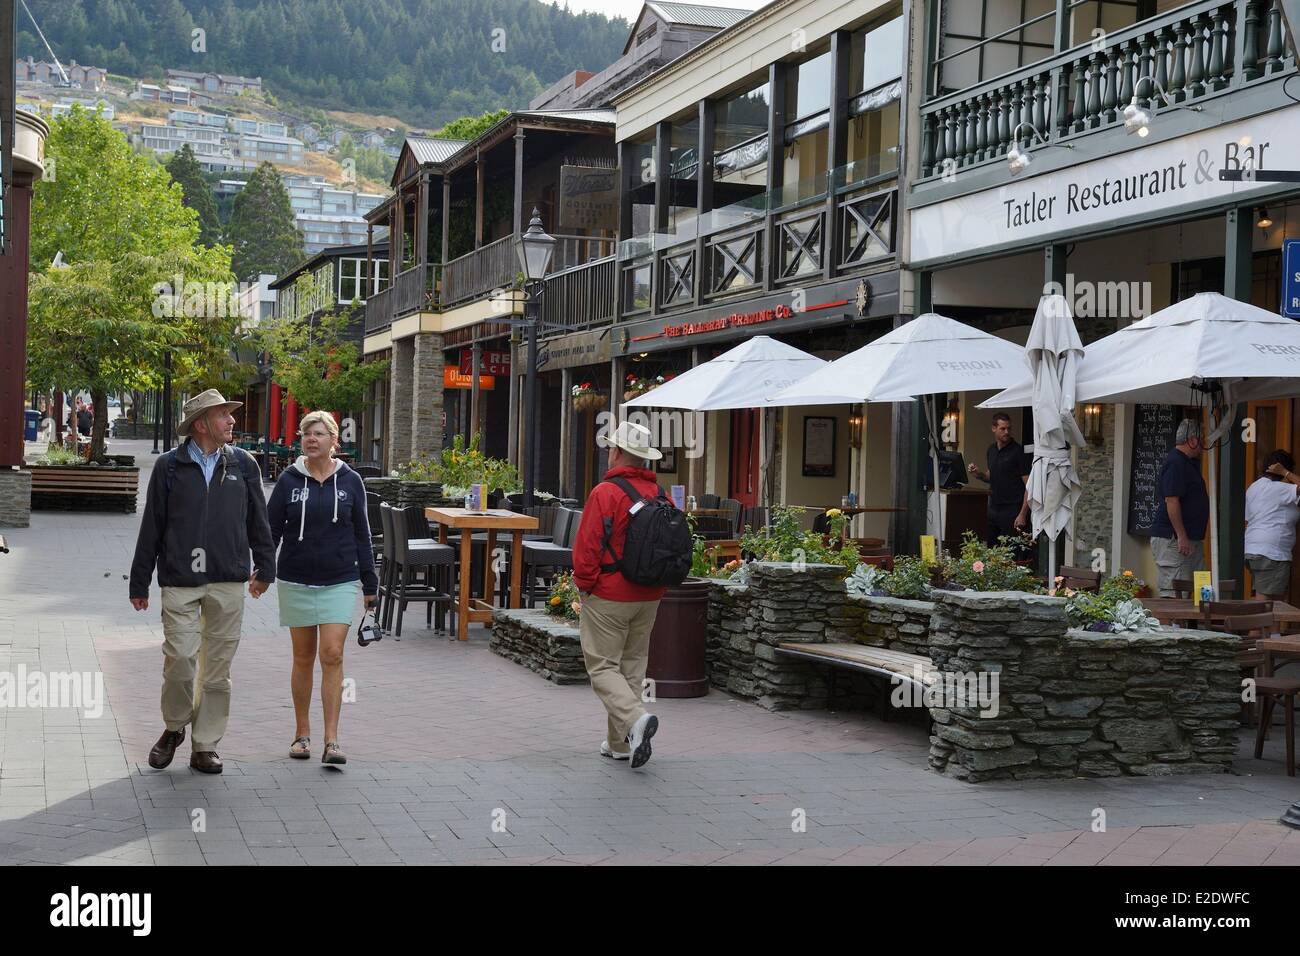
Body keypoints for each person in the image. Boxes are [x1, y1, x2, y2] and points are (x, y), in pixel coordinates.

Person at [130, 389, 276, 774]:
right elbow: (153, 526)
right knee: (179, 659)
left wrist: (266, 567)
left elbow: (258, 520)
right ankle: (174, 727)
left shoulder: (244, 465)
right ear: (200, 424)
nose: (231, 421)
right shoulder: (169, 466)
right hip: (180, 578)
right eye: (223, 415)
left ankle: (205, 744)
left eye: (231, 414)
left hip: (228, 579)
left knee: (217, 671)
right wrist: (139, 582)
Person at [266, 411, 377, 766]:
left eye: (318, 434)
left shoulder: (351, 481)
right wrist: (263, 571)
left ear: (333, 441)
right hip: (296, 578)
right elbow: (272, 531)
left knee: (332, 654)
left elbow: (363, 533)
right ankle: (302, 734)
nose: (310, 439)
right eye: (305, 434)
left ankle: (332, 740)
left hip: (340, 579)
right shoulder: (288, 480)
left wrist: (370, 583)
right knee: (302, 657)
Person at [571, 421, 666, 769]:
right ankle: (620, 744)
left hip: (609, 594)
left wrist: (585, 584)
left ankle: (636, 719)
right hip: (650, 594)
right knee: (630, 668)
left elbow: (587, 548)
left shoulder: (605, 492)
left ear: (616, 452)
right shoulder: (660, 494)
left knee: (601, 667)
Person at [1149, 418, 1209, 597]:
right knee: (1175, 591)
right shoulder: (1175, 462)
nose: (1204, 443)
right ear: (1192, 440)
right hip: (1174, 539)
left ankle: (1199, 623)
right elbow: (1172, 500)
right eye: (1202, 439)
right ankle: (1174, 625)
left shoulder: (1188, 463)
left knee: (1201, 589)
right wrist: (1181, 536)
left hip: (1192, 538)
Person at [967, 412, 1031, 548]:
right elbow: (991, 476)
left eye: (1009, 428)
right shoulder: (991, 450)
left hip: (1013, 510)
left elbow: (1029, 486)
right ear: (993, 428)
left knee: (1010, 552)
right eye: (1003, 429)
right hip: (993, 508)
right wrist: (978, 474)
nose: (1007, 432)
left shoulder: (1018, 452)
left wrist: (1022, 514)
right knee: (992, 549)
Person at [1244, 449, 1300, 601]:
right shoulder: (1278, 488)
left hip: (1254, 549)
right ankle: (1260, 625)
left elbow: (1249, 518)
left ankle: (1261, 624)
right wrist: (1286, 473)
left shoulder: (1253, 488)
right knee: (1271, 603)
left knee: (1265, 596)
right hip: (1272, 552)